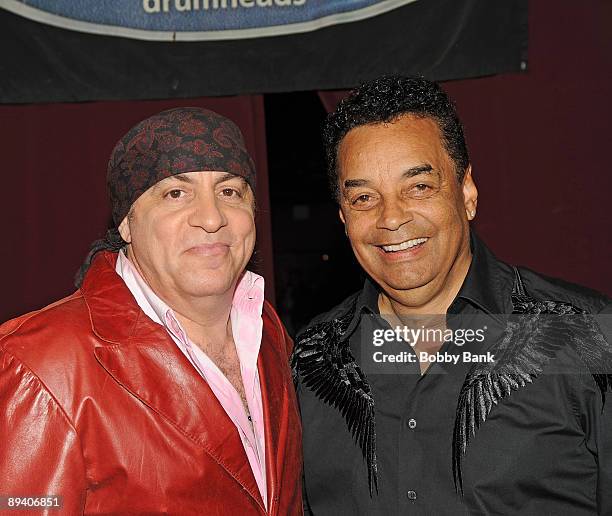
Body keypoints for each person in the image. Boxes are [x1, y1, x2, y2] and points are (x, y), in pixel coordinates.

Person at [292, 76, 612, 515]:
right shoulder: (311, 359)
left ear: (467, 192)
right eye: (365, 197)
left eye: (419, 187)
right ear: (344, 219)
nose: (392, 218)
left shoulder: (588, 336)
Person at [0, 107, 302, 515]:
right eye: (175, 193)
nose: (212, 218)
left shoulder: (269, 332)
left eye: (230, 192)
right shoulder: (40, 364)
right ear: (126, 222)